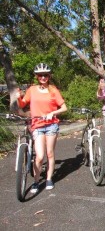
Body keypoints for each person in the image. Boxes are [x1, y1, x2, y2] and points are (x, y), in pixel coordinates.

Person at [16, 63, 68, 193]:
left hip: (51, 125)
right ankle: (36, 181)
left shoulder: (53, 90)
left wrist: (52, 113)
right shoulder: (32, 90)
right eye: (40, 75)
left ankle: (49, 179)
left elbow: (64, 107)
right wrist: (18, 97)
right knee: (39, 156)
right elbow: (23, 104)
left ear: (49, 76)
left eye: (45, 75)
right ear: (37, 76)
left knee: (50, 153)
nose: (43, 77)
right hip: (37, 125)